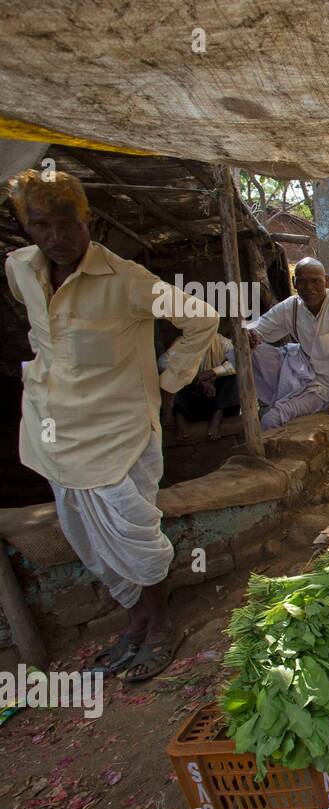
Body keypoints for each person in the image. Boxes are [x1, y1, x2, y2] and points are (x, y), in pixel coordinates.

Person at [4, 169, 219, 681]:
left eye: (65, 224)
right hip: (53, 432)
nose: (54, 237)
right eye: (40, 225)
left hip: (119, 435)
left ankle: (159, 622)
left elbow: (202, 319)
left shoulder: (127, 281)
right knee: (87, 534)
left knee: (134, 533)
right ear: (26, 227)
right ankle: (134, 621)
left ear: (88, 220)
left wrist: (168, 381)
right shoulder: (20, 270)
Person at [244, 257, 329, 430]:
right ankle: (272, 400)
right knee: (246, 347)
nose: (309, 287)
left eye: (316, 281)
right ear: (294, 283)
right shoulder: (291, 307)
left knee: (271, 419)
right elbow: (259, 327)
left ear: (327, 282)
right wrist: (250, 334)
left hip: (328, 387)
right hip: (304, 377)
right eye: (302, 282)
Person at [158, 326, 240, 441]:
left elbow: (239, 362)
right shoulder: (183, 343)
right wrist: (197, 378)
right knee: (174, 376)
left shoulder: (222, 342)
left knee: (233, 378)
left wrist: (212, 373)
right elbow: (162, 364)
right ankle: (180, 420)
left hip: (217, 400)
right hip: (192, 403)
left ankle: (217, 418)